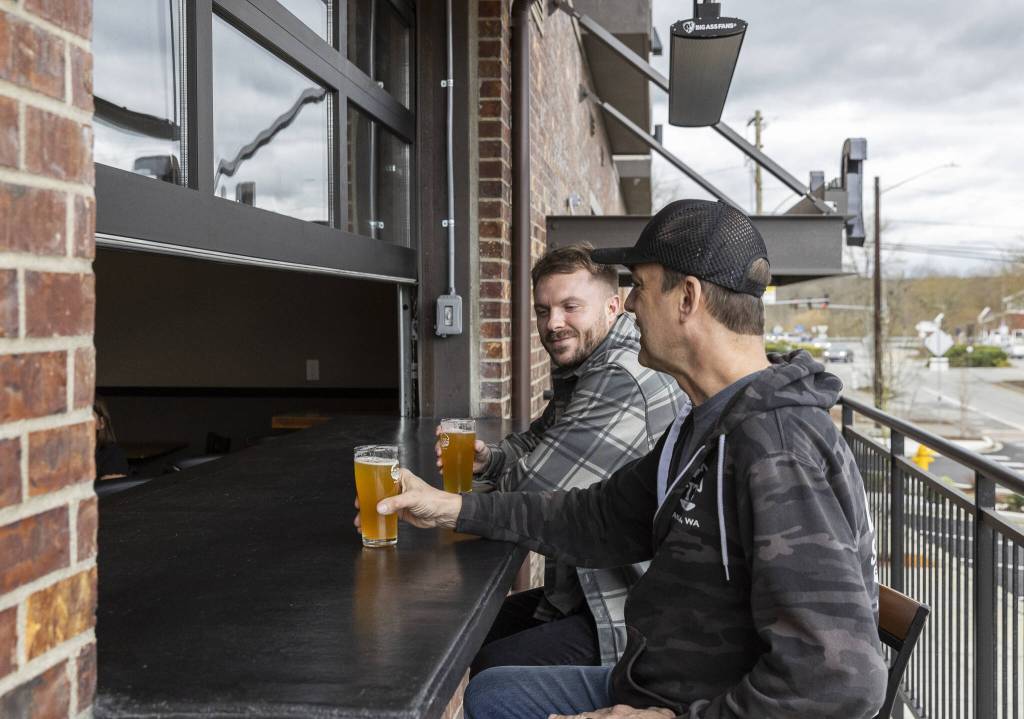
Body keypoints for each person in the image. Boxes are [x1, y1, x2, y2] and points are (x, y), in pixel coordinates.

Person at [365, 199, 888, 719]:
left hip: (695, 704)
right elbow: (594, 518)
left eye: (638, 285)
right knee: (490, 691)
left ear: (687, 298)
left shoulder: (775, 446)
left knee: (494, 693)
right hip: (656, 679)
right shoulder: (706, 424)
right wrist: (450, 509)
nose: (630, 305)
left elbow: (839, 681)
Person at [439, 244, 686, 674]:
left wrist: (444, 504)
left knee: (494, 669)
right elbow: (539, 441)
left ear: (612, 306)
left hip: (629, 610)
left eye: (571, 307)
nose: (553, 324)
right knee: (469, 636)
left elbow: (532, 489)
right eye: (543, 310)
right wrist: (491, 461)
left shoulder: (620, 376)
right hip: (581, 592)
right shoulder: (591, 364)